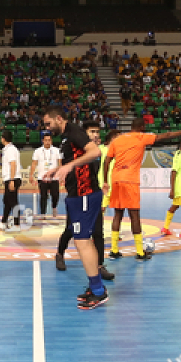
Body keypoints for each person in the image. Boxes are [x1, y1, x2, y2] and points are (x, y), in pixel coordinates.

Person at [39, 105, 108, 310]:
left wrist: (69, 166)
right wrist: (59, 169)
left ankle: (98, 291)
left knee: (82, 242)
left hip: (85, 194)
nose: (47, 128)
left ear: (59, 118)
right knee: (84, 242)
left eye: (49, 124)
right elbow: (75, 160)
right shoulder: (66, 136)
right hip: (78, 195)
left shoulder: (74, 131)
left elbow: (94, 152)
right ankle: (95, 287)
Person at [105, 116, 181, 261]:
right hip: (130, 180)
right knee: (134, 216)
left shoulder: (117, 140)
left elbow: (107, 160)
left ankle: (114, 250)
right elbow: (167, 135)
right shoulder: (141, 137)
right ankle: (140, 252)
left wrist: (106, 180)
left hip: (116, 179)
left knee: (117, 214)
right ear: (142, 127)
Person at [55, 125, 113, 282]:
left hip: (93, 195)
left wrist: (104, 184)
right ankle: (60, 254)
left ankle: (99, 266)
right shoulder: (76, 150)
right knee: (70, 229)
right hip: (77, 196)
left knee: (98, 232)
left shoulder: (98, 152)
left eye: (97, 132)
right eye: (91, 132)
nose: (95, 135)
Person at [31, 132, 62, 219]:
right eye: (46, 140)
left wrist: (61, 175)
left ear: (51, 141)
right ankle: (43, 214)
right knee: (43, 196)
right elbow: (34, 164)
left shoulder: (57, 150)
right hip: (42, 177)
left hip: (54, 177)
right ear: (42, 141)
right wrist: (31, 175)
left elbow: (60, 164)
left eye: (49, 140)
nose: (47, 142)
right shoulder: (37, 151)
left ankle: (54, 207)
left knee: (55, 195)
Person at [0, 129, 22, 230]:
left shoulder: (11, 150)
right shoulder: (7, 149)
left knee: (13, 202)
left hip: (13, 179)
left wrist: (11, 180)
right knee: (7, 201)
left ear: (3, 138)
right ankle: (3, 222)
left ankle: (16, 225)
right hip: (9, 179)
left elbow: (13, 164)